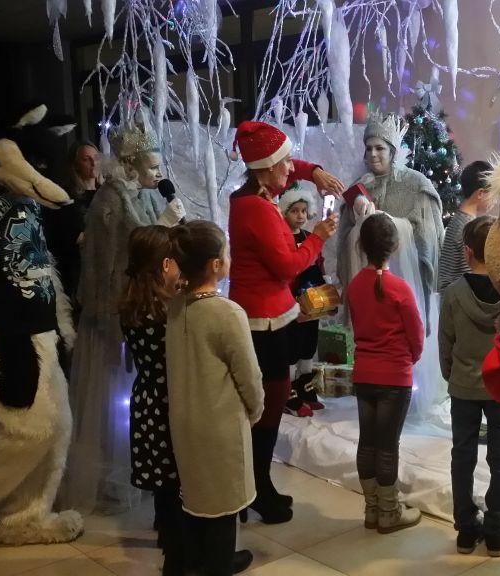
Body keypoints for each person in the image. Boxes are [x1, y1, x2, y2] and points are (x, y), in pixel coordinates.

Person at [65, 114, 186, 514]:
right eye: (152, 167)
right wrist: (162, 226)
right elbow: (128, 247)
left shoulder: (145, 194)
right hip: (115, 310)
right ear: (130, 165)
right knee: (113, 391)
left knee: (137, 384)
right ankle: (110, 472)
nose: (158, 174)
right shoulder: (110, 199)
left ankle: (140, 467)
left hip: (145, 306)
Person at [227, 120, 342, 524]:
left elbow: (291, 170)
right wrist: (319, 235)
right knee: (268, 406)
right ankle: (257, 488)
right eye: (286, 162)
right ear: (265, 168)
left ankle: (258, 485)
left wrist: (315, 172)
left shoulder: (253, 195)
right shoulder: (257, 210)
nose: (292, 167)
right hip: (264, 323)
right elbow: (287, 265)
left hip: (270, 316)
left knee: (271, 402)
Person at [167, 220, 263, 576]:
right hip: (220, 424)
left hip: (184, 420)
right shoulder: (227, 313)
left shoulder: (176, 306)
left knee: (197, 496)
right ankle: (219, 564)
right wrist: (256, 409)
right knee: (223, 503)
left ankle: (201, 559)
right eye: (228, 253)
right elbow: (248, 375)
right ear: (216, 264)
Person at [337, 111, 446, 416]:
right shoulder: (361, 185)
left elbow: (428, 234)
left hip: (406, 278)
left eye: (380, 148)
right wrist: (359, 218)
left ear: (393, 151)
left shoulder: (415, 184)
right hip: (371, 280)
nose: (373, 154)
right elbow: (345, 235)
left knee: (406, 329)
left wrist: (390, 224)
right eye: (368, 148)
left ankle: (412, 392)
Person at [438, 215, 500, 556]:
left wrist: (450, 374)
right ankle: (495, 531)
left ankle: (466, 529)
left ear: (467, 252)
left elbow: (446, 341)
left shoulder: (454, 293)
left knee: (462, 455)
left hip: (463, 385)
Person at [348, 212, 424, 534]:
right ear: (395, 247)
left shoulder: (355, 286)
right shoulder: (400, 288)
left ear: (361, 246)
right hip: (394, 375)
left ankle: (372, 509)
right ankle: (389, 513)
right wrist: (410, 359)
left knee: (367, 442)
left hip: (364, 374)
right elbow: (416, 336)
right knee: (387, 445)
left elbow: (357, 327)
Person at [117, 225, 183, 574]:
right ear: (165, 264)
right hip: (168, 402)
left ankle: (166, 532)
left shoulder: (134, 301)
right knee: (174, 479)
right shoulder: (165, 311)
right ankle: (176, 552)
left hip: (146, 399)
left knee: (163, 478)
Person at [279, 188, 329, 417]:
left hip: (313, 299)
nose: (300, 216)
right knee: (293, 345)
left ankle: (305, 384)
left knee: (309, 342)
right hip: (292, 301)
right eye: (295, 211)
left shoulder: (310, 237)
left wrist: (325, 287)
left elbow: (318, 263)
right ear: (284, 212)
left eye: (303, 211)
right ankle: (288, 391)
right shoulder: (282, 238)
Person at [43, 141, 102, 304]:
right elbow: (70, 237)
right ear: (75, 165)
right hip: (78, 269)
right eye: (86, 159)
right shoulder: (66, 198)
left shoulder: (105, 193)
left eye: (96, 158)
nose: (93, 163)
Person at [436, 161, 492, 292]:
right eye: (493, 193)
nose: (495, 199)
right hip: (457, 299)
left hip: (452, 295)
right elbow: (471, 274)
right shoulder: (469, 228)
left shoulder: (460, 218)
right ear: (480, 193)